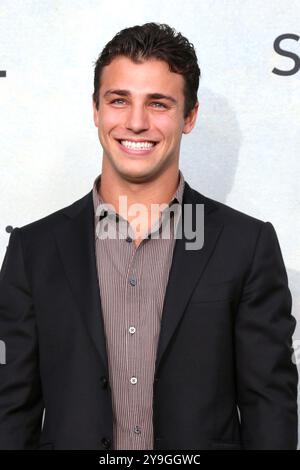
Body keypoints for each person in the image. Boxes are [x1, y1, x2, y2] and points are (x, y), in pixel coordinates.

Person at [0, 22, 298, 450]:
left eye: (158, 104)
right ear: (96, 110)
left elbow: (269, 408)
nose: (136, 123)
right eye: (119, 100)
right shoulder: (35, 250)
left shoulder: (245, 246)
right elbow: (11, 413)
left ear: (189, 116)